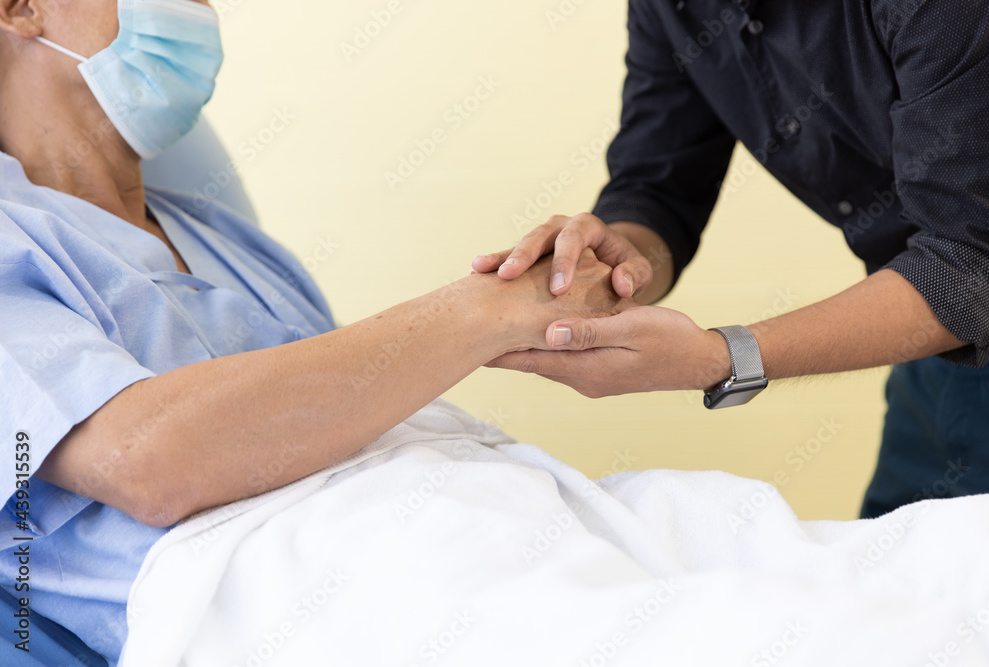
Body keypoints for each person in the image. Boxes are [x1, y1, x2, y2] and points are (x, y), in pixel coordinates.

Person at [0, 0, 629, 661]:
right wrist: (486, 312)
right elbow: (150, 463)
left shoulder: (230, 240)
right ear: (22, 9)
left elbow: (353, 434)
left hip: (494, 520)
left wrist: (551, 293)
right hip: (317, 598)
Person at [473, 0, 989, 519]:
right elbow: (659, 189)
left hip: (957, 308)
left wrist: (720, 358)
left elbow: (968, 264)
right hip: (939, 345)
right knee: (895, 565)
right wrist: (612, 263)